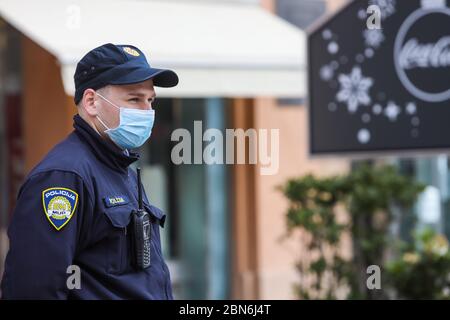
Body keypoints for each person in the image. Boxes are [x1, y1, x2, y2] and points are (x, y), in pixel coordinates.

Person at [1, 43, 179, 299]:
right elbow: (33, 288)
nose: (147, 112)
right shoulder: (63, 177)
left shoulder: (119, 167)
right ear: (92, 101)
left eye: (150, 100)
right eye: (134, 99)